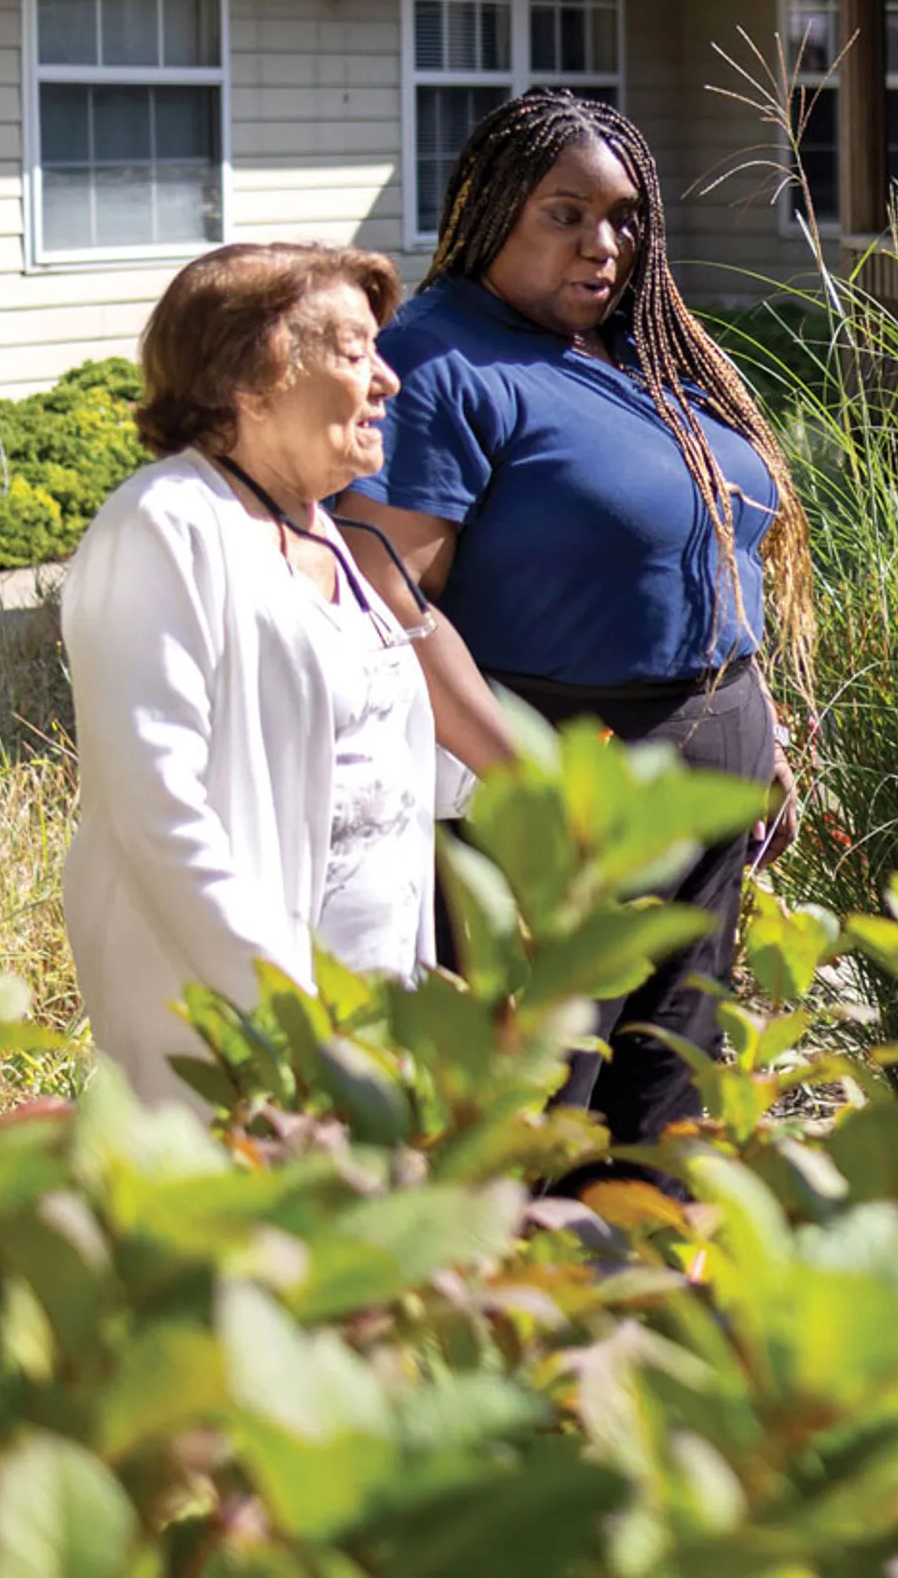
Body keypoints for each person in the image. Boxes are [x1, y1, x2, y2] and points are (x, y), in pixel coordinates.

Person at [344, 90, 811, 1152]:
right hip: (560, 792)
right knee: (541, 1109)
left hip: (704, 776)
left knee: (666, 1100)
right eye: (565, 213)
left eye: (626, 215)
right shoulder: (438, 364)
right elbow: (390, 605)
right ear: (492, 209)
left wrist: (761, 723)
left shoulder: (633, 349)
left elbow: (712, 546)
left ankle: (644, 1306)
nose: (604, 243)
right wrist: (528, 786)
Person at [59, 243, 507, 1108]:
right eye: (354, 352)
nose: (389, 380)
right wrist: (296, 1014)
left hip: (372, 1023)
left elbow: (372, 753)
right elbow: (160, 813)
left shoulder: (318, 529)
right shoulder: (164, 525)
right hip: (240, 1038)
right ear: (252, 376)